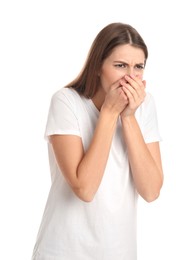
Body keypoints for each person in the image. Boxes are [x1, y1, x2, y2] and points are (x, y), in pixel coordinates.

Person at [32, 22, 163, 260]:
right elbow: (85, 188)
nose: (130, 77)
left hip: (120, 252)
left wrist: (128, 117)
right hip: (62, 251)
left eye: (138, 67)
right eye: (120, 65)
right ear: (97, 67)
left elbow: (151, 191)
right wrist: (110, 114)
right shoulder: (66, 101)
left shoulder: (145, 106)